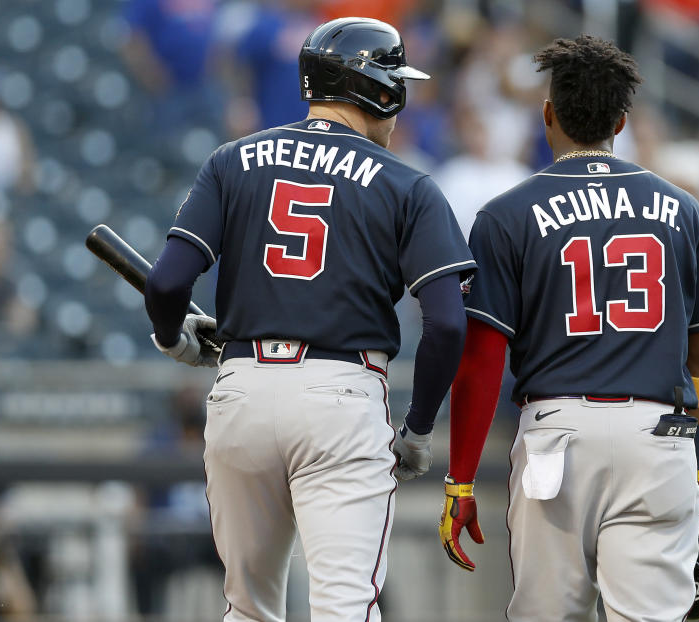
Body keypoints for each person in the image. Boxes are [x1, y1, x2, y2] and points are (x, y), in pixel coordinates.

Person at [143, 17, 475, 622]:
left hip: (241, 391)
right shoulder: (407, 183)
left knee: (247, 607)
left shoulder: (232, 159)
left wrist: (174, 338)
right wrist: (419, 428)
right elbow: (448, 323)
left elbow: (168, 280)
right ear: (379, 90)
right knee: (345, 608)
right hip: (341, 398)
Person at [439, 35, 699, 621]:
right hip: (660, 440)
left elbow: (481, 361)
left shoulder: (506, 213)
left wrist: (460, 482)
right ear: (622, 121)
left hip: (558, 435)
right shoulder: (681, 208)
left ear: (547, 113)